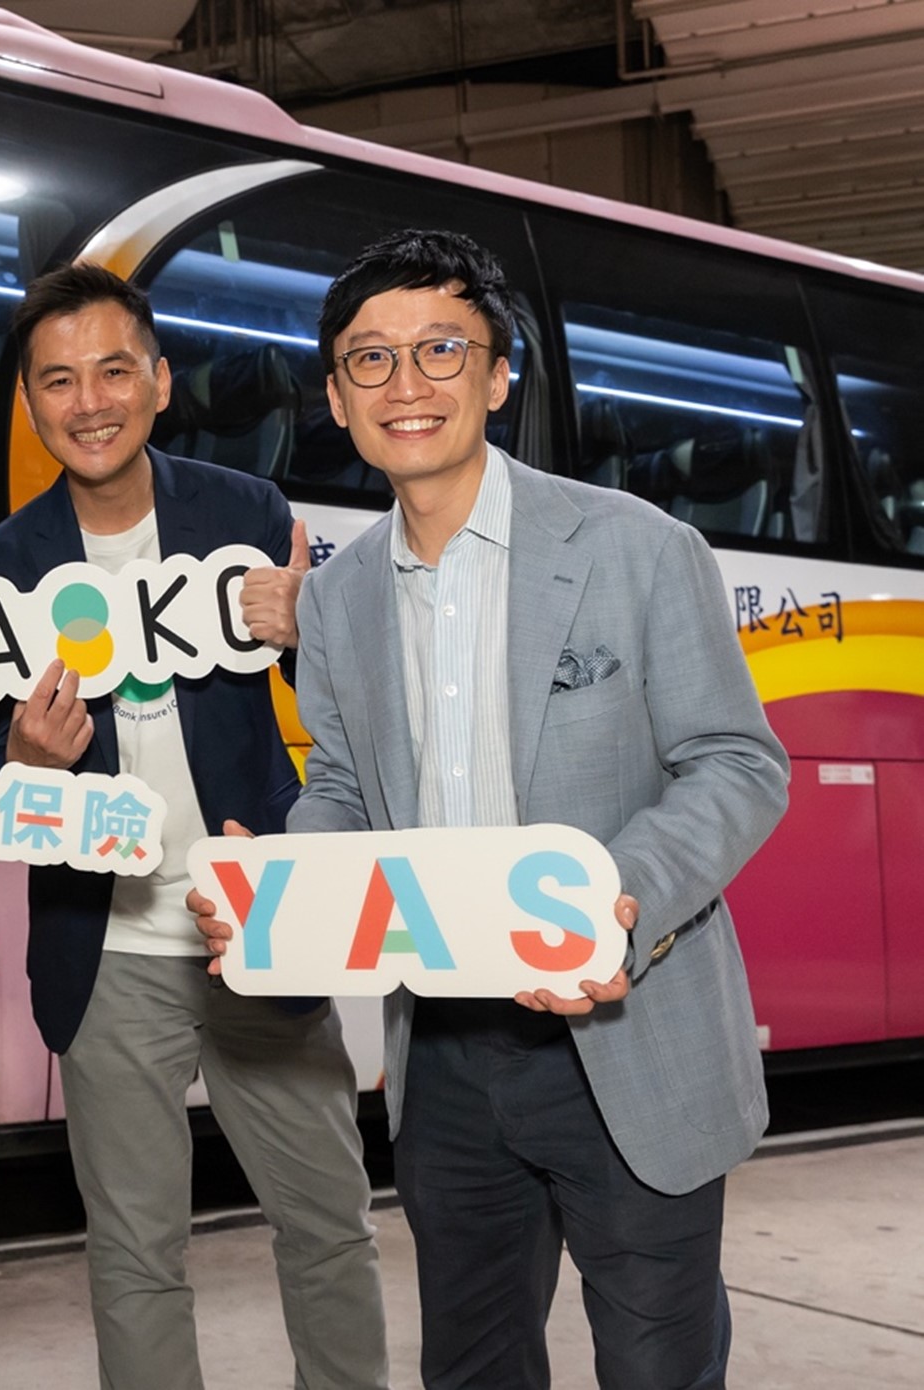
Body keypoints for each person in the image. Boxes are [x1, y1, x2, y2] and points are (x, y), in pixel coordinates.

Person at [194, 228, 788, 1389]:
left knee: (659, 1369)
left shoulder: (636, 547)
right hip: (449, 1059)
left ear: (498, 374)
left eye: (440, 350)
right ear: (334, 395)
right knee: (470, 1368)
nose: (405, 385)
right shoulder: (341, 600)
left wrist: (619, 903)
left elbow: (736, 762)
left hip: (626, 1037)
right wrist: (281, 897)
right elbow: (346, 792)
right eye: (371, 360)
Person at [0, 263, 387, 1390]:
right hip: (108, 951)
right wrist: (24, 763)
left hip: (255, 922)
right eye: (58, 380)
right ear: (33, 402)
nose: (88, 400)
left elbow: (349, 711)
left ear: (157, 383)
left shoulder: (244, 513)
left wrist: (308, 630)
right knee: (136, 1252)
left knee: (329, 1221)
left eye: (113, 370)